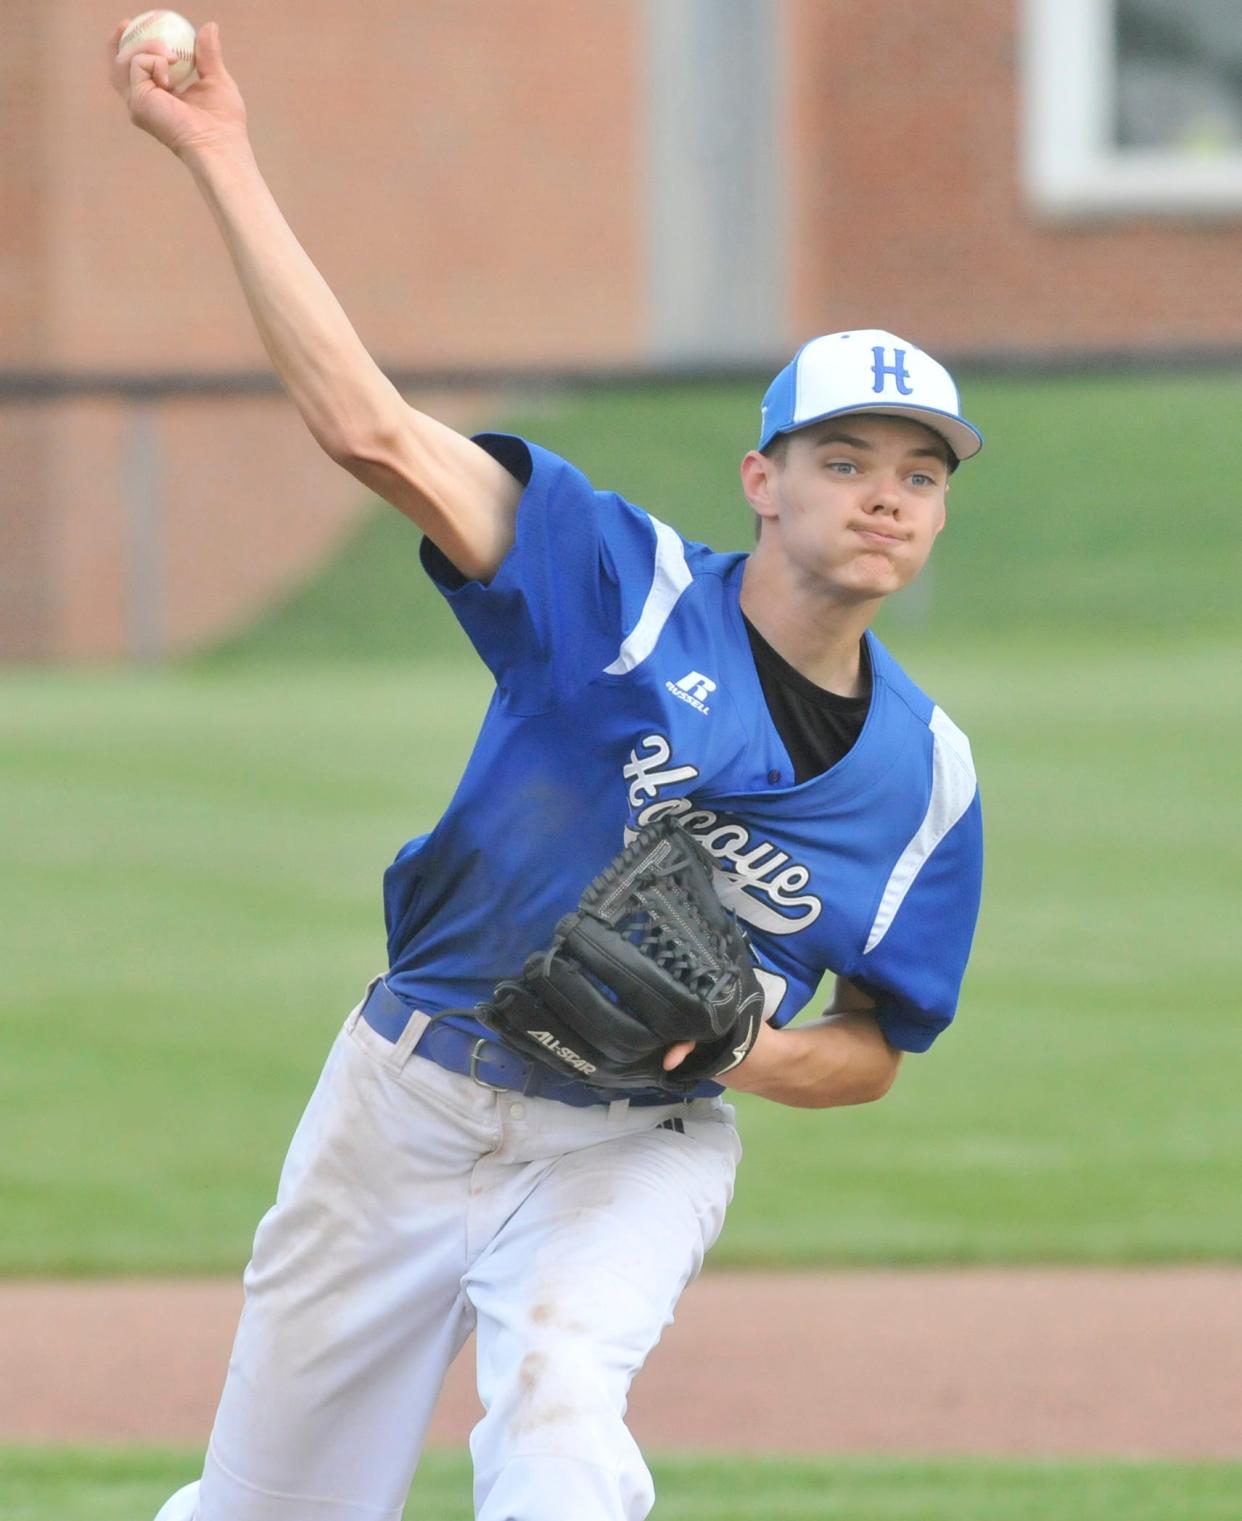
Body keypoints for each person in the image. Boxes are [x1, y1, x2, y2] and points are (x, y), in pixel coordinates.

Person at [112, 21, 984, 1521]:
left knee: (561, 1421)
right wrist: (219, 155)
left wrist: (739, 1048)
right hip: (401, 1102)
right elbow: (369, 430)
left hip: (627, 1150)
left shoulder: (926, 781)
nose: (883, 498)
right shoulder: (610, 576)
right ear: (762, 480)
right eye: (843, 460)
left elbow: (874, 1044)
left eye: (917, 473)